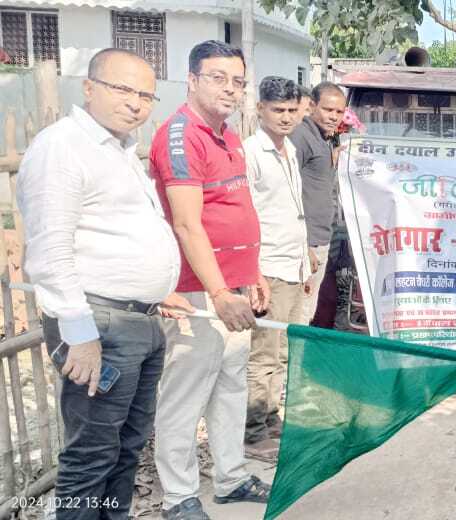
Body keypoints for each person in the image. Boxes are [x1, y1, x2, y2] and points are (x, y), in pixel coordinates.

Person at [18, 48, 191, 520]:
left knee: (127, 445)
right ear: (89, 87)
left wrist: (153, 290)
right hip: (98, 327)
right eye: (122, 89)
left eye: (146, 95)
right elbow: (50, 251)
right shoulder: (62, 147)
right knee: (91, 455)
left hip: (136, 322)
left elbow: (111, 234)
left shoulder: (119, 149)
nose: (135, 103)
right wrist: (79, 334)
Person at [150, 40, 271, 520]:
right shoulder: (181, 137)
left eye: (237, 81)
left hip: (232, 289)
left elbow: (234, 210)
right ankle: (178, 496)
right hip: (198, 293)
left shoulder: (228, 135)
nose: (229, 89)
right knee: (185, 394)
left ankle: (231, 477)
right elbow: (186, 224)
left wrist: (251, 273)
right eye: (217, 78)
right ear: (192, 80)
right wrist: (219, 291)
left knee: (230, 386)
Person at [242, 76, 310, 460]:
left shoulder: (290, 150)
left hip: (293, 264)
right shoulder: (251, 152)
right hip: (268, 267)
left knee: (283, 351)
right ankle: (252, 433)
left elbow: (290, 209)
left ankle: (270, 418)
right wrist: (253, 273)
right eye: (277, 110)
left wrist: (305, 258)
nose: (286, 117)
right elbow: (246, 215)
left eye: (291, 110)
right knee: (264, 355)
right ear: (260, 109)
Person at [290, 81, 347, 325]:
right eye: (328, 109)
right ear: (312, 106)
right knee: (300, 313)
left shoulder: (322, 139)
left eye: (339, 111)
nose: (334, 116)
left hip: (320, 239)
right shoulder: (301, 137)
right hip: (307, 242)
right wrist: (303, 245)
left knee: (307, 309)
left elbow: (315, 181)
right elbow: (288, 191)